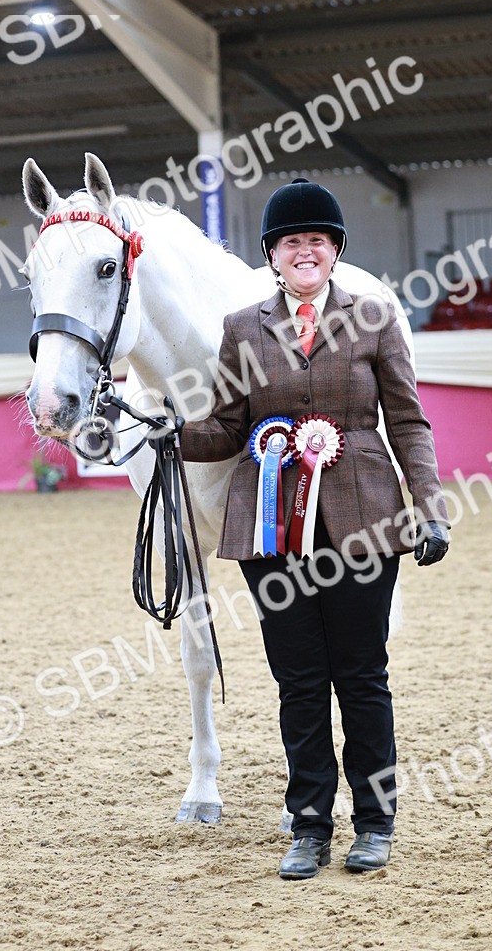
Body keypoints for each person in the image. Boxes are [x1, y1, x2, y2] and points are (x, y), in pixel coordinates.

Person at [178, 177, 450, 879]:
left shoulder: (376, 317)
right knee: (298, 680)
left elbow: (409, 422)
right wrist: (167, 432)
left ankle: (376, 821)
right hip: (272, 528)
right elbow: (227, 429)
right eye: (292, 241)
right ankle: (308, 826)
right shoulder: (242, 329)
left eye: (317, 240)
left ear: (334, 252)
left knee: (362, 676)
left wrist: (432, 508)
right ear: (272, 255)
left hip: (364, 515)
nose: (305, 250)